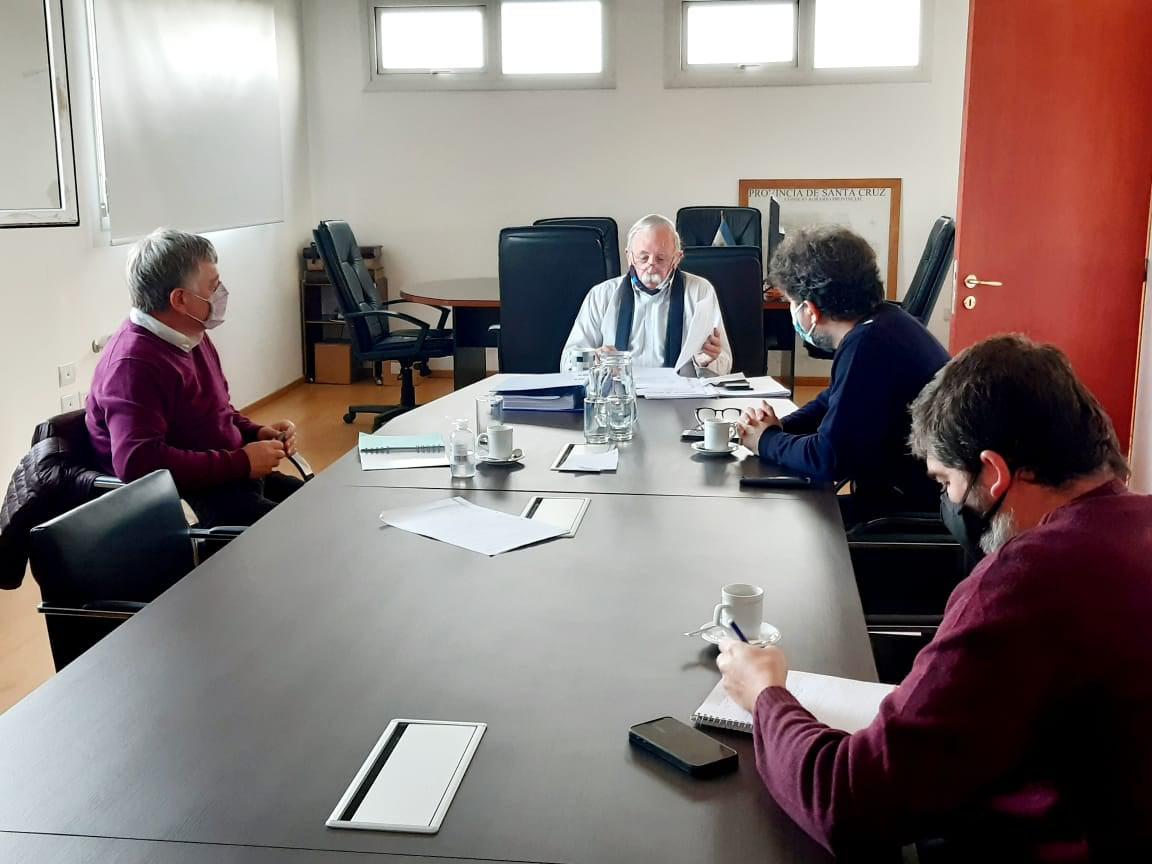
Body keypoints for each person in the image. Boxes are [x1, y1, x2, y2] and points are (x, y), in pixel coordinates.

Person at [717, 335, 1152, 861]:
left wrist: (766, 696)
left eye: (945, 480)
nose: (946, 502)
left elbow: (845, 802)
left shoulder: (1026, 583)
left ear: (993, 473)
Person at [86, 228, 302, 526]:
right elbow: (137, 464)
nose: (221, 293)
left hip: (228, 476)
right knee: (303, 533)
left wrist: (255, 432)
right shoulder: (132, 365)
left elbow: (215, 411)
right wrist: (242, 462)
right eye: (213, 286)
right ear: (180, 299)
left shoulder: (188, 333)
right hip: (191, 496)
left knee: (319, 504)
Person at [738, 226, 949, 523]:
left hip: (907, 511)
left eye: (790, 303)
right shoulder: (886, 321)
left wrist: (766, 441)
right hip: (901, 495)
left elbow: (828, 459)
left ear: (810, 311)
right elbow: (833, 399)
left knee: (777, 523)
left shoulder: (868, 345)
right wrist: (778, 428)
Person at [562, 214, 732, 375]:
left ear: (677, 258)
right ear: (629, 256)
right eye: (643, 258)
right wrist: (592, 358)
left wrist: (706, 361)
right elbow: (567, 362)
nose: (651, 266)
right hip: (617, 399)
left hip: (681, 399)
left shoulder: (700, 292)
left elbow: (725, 363)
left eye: (661, 259)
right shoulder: (601, 295)